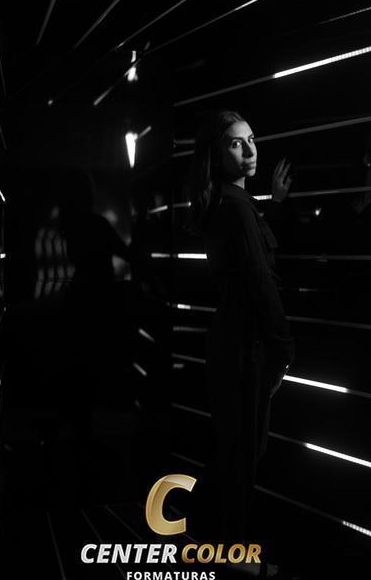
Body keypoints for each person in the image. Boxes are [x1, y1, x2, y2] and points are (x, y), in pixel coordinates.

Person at [188, 110, 295, 573]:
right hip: (243, 347)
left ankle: (212, 542)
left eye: (252, 139)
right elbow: (260, 281)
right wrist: (285, 348)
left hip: (233, 342)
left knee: (240, 451)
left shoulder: (230, 203)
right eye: (236, 143)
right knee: (242, 455)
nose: (250, 150)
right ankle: (230, 553)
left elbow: (253, 259)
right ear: (216, 154)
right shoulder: (234, 207)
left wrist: (275, 205)